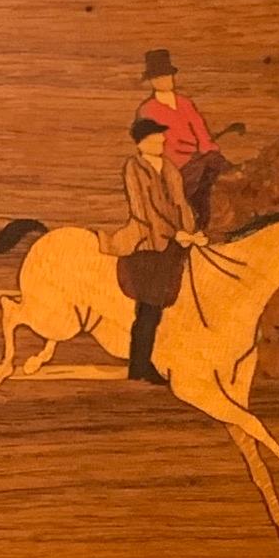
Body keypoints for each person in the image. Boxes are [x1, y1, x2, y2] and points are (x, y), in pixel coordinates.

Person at [107, 110, 201, 385]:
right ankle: (139, 367)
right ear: (142, 142)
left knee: (169, 305)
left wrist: (191, 232)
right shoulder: (134, 168)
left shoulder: (169, 168)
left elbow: (181, 202)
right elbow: (144, 210)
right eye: (155, 136)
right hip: (149, 244)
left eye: (161, 136)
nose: (161, 140)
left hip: (175, 242)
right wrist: (175, 234)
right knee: (148, 310)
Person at [137, 47, 228, 224]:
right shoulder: (148, 110)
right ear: (152, 81)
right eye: (160, 77)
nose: (166, 80)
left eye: (168, 75)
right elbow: (152, 146)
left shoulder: (185, 104)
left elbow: (202, 134)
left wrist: (209, 152)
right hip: (175, 166)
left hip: (199, 160)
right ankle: (199, 223)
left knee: (219, 168)